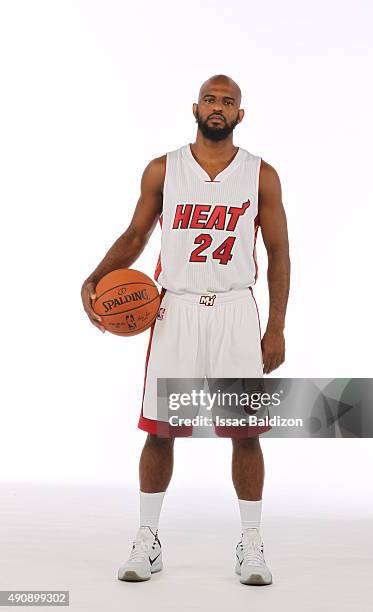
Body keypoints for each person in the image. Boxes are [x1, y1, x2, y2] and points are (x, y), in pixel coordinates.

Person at [81, 74, 290, 586]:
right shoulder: (163, 169)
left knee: (244, 434)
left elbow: (280, 252)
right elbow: (136, 235)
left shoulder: (261, 175)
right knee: (159, 430)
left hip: (237, 311)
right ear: (195, 107)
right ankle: (147, 540)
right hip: (174, 309)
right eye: (211, 100)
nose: (218, 108)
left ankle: (251, 545)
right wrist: (96, 277)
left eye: (229, 102)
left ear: (241, 114)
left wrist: (277, 326)